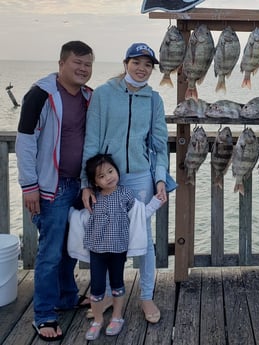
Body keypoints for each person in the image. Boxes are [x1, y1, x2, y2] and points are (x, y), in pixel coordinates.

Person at [81, 42, 169, 324]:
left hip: (141, 176)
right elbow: (92, 140)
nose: (142, 69)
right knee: (105, 238)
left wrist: (159, 178)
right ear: (125, 63)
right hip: (106, 180)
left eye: (148, 64)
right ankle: (106, 294)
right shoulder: (104, 94)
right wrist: (87, 182)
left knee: (143, 238)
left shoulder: (154, 99)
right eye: (136, 62)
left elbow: (159, 145)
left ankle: (145, 295)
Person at [15, 40, 94, 341]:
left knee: (70, 246)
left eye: (88, 64)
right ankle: (44, 313)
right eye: (77, 62)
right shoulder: (40, 95)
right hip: (51, 187)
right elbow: (25, 141)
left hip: (80, 184)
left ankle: (66, 296)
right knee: (49, 252)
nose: (83, 69)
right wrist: (29, 186)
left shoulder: (89, 97)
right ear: (61, 63)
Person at [79, 154, 163, 340]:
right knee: (97, 287)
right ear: (94, 182)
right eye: (102, 176)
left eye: (111, 171)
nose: (109, 177)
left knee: (118, 284)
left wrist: (156, 202)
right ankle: (98, 320)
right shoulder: (93, 197)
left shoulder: (125, 194)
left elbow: (140, 215)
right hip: (96, 251)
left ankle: (117, 317)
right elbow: (79, 219)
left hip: (118, 250)